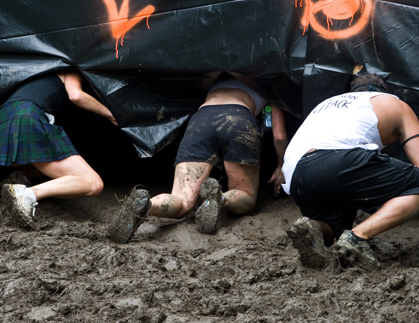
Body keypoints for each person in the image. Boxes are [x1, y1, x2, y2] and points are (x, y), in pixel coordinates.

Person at [281, 73, 419, 270]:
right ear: (381, 91)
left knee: (333, 225)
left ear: (352, 91)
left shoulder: (327, 104)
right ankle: (357, 237)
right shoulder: (393, 103)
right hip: (338, 159)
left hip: (296, 172)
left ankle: (312, 228)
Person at [107, 74, 289, 243]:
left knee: (183, 199)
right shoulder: (271, 86)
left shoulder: (216, 80)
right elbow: (279, 136)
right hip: (238, 119)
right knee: (246, 196)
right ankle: (220, 198)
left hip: (202, 119)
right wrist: (281, 165)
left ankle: (147, 204)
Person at [0, 69, 118, 229]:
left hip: (0, 128)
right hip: (27, 122)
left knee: (52, 162)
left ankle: (22, 176)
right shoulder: (68, 68)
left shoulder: (39, 70)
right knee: (93, 183)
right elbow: (76, 95)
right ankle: (29, 194)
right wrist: (112, 115)